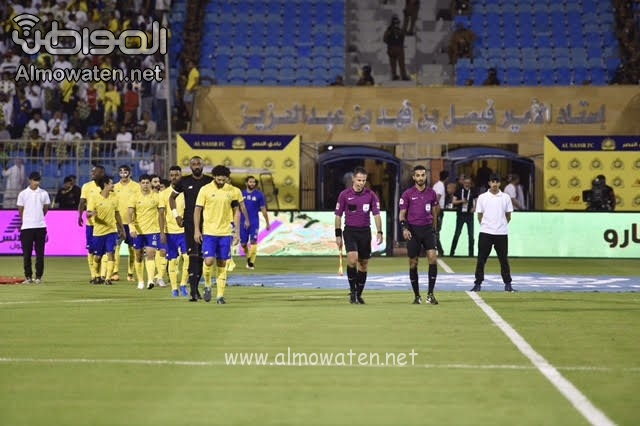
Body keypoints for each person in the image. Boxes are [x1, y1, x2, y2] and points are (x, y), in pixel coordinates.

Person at [193, 165, 248, 304]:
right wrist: (197, 230)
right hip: (209, 232)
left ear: (227, 178)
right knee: (208, 261)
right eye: (219, 179)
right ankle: (207, 285)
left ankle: (220, 296)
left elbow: (237, 212)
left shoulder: (233, 191)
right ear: (214, 177)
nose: (221, 182)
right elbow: (197, 210)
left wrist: (237, 233)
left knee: (222, 263)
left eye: (224, 180)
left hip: (225, 233)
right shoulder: (205, 190)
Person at [334, 167, 383, 304]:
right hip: (350, 231)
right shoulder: (344, 195)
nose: (361, 183)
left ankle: (359, 294)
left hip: (365, 232)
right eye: (359, 180)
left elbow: (376, 215)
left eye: (363, 180)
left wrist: (380, 231)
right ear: (353, 179)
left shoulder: (371, 195)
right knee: (352, 259)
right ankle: (353, 291)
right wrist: (338, 235)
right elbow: (338, 216)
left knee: (363, 264)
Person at [169, 156, 213, 302]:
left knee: (201, 257)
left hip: (207, 224)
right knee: (192, 256)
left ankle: (195, 289)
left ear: (203, 165)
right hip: (189, 224)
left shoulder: (210, 181)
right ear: (190, 166)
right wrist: (176, 216)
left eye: (198, 164)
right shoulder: (184, 181)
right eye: (193, 164)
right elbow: (171, 198)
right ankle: (193, 291)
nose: (196, 166)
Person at [398, 165, 440, 305]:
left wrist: (435, 230)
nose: (420, 178)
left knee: (432, 258)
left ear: (425, 176)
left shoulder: (432, 193)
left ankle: (430, 295)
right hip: (413, 231)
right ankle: (417, 296)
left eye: (423, 175)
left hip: (428, 230)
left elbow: (434, 213)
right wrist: (404, 228)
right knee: (413, 262)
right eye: (418, 175)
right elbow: (402, 214)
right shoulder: (407, 194)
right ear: (413, 177)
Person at [470, 173, 515, 292]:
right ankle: (478, 283)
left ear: (500, 183)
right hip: (486, 232)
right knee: (481, 259)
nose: (495, 184)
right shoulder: (482, 197)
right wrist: (487, 226)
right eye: (493, 181)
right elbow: (479, 215)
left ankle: (508, 284)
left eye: (497, 181)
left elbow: (508, 215)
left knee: (503, 260)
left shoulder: (505, 197)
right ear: (489, 183)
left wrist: (501, 225)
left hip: (501, 233)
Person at [86, 175, 126, 285]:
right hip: (98, 232)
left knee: (111, 253)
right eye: (111, 183)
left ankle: (108, 278)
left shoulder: (114, 197)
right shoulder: (94, 197)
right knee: (98, 257)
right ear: (105, 185)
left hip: (111, 231)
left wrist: (122, 229)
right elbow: (87, 214)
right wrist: (92, 213)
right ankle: (97, 275)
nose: (113, 185)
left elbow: (117, 214)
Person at [128, 174, 166, 290]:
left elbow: (161, 215)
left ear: (150, 184)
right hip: (138, 231)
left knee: (150, 253)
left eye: (147, 183)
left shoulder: (157, 197)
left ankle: (150, 280)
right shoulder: (134, 196)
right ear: (139, 184)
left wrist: (162, 231)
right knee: (138, 255)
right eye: (143, 183)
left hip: (152, 230)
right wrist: (131, 228)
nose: (145, 185)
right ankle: (140, 281)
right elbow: (130, 214)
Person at [17, 171, 50, 284]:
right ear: (30, 180)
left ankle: (38, 277)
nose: (37, 182)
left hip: (40, 226)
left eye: (38, 180)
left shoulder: (44, 193)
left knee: (40, 253)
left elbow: (46, 208)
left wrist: (39, 217)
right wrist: (27, 220)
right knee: (27, 254)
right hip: (27, 227)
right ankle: (28, 277)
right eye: (35, 180)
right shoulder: (23, 194)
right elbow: (20, 210)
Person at [162, 166, 190, 297]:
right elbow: (161, 214)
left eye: (177, 175)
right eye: (172, 175)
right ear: (169, 176)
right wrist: (162, 232)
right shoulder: (164, 194)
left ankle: (183, 284)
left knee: (187, 258)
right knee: (172, 260)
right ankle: (174, 288)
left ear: (181, 175)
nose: (174, 177)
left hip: (185, 231)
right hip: (170, 232)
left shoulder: (186, 191)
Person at [78, 164, 106, 284]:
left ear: (102, 173)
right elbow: (82, 202)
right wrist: (80, 215)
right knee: (91, 250)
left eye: (95, 172)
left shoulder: (107, 186)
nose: (92, 173)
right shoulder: (86, 186)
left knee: (104, 251)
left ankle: (102, 275)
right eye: (92, 172)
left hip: (104, 224)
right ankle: (94, 275)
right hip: (91, 224)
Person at [113, 165, 141, 282]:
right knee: (116, 248)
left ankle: (130, 273)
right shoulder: (114, 187)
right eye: (121, 172)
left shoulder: (136, 186)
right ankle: (115, 272)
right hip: (118, 223)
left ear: (130, 173)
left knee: (132, 249)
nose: (123, 174)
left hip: (131, 223)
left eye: (125, 172)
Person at [240, 175, 271, 270]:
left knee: (253, 241)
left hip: (254, 222)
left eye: (253, 182)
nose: (252, 184)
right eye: (250, 182)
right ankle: (248, 257)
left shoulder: (259, 195)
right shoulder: (241, 193)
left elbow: (263, 209)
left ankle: (251, 262)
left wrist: (267, 222)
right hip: (242, 222)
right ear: (246, 183)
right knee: (243, 244)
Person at [449, 176, 476, 257]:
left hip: (469, 215)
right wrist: (462, 201)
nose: (467, 184)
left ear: (471, 184)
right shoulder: (458, 191)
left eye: (469, 183)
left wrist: (474, 208)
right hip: (460, 215)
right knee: (457, 234)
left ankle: (471, 254)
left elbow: (477, 201)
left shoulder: (473, 191)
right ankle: (451, 253)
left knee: (471, 235)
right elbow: (453, 201)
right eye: (466, 183)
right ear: (463, 183)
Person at [383, 15, 411, 81]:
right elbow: (385, 39)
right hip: (396, 48)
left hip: (393, 48)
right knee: (399, 64)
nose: (397, 24)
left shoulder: (390, 30)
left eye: (397, 23)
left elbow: (385, 39)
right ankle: (401, 76)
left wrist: (390, 43)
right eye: (396, 23)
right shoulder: (393, 30)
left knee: (395, 64)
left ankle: (396, 75)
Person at [432, 170, 449, 257]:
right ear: (447, 178)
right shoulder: (441, 186)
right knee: (436, 230)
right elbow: (437, 198)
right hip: (438, 210)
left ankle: (438, 250)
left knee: (435, 231)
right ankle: (439, 250)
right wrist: (436, 212)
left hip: (435, 209)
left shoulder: (436, 185)